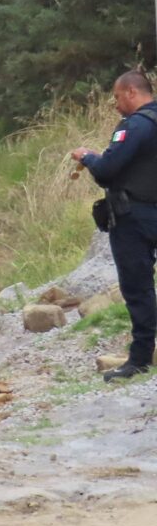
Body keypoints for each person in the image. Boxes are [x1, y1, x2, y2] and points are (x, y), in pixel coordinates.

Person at [72, 70, 157, 382]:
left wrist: (88, 157)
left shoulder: (135, 126)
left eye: (118, 98)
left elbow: (107, 171)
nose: (116, 105)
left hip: (135, 217)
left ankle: (139, 359)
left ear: (132, 92)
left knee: (138, 287)